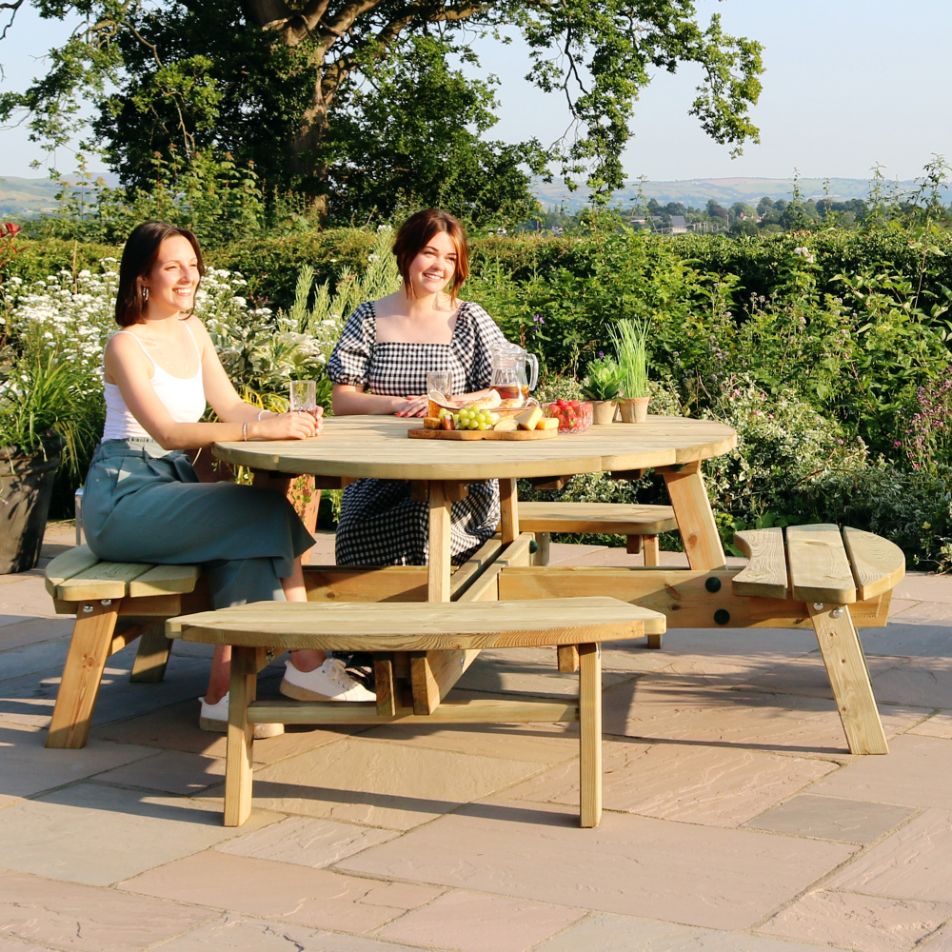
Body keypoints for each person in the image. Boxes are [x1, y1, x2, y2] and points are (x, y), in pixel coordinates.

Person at [81, 221, 374, 738]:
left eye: (192, 265)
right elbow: (169, 432)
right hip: (124, 494)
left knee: (247, 546)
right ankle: (307, 661)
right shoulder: (125, 345)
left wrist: (282, 425)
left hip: (171, 488)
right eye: (172, 266)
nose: (187, 276)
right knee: (263, 510)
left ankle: (222, 695)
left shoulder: (193, 331)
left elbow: (231, 405)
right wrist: (261, 428)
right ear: (143, 278)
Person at [328, 207, 511, 567]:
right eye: (429, 252)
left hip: (457, 478)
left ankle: (442, 613)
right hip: (379, 473)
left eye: (450, 257)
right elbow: (342, 400)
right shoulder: (369, 317)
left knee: (422, 523)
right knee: (354, 532)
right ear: (406, 253)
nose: (439, 266)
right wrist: (398, 404)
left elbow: (505, 393)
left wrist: (451, 404)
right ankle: (363, 612)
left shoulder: (470, 318)